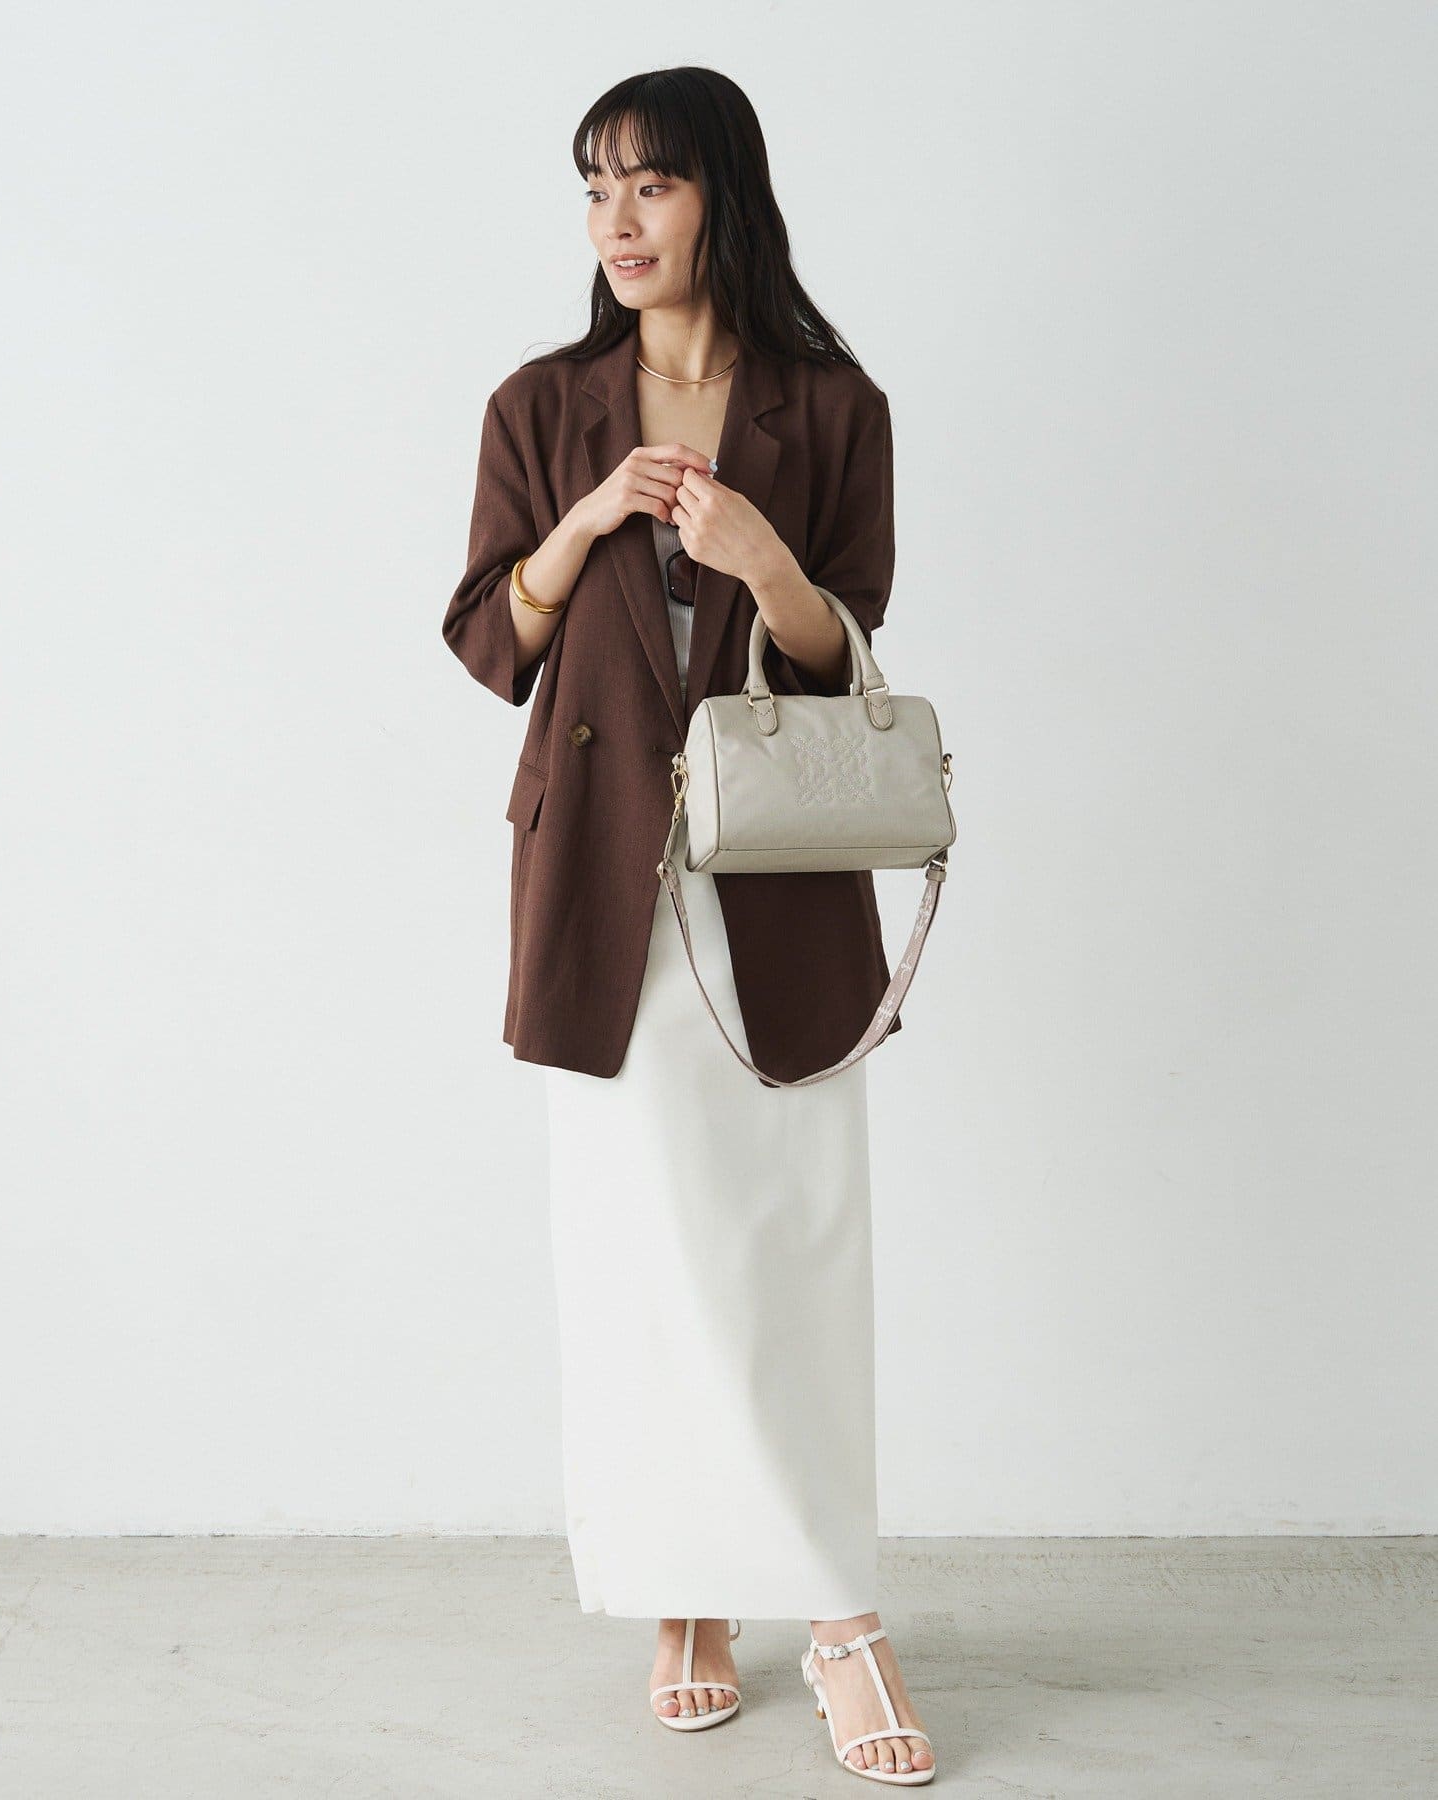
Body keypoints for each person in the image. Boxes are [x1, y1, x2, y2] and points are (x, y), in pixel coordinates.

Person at [443, 66, 935, 1786]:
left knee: (799, 1243)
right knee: (638, 1253)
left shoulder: (832, 407)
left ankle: (843, 1617)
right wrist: (587, 519)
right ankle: (686, 1596)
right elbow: (489, 640)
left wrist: (758, 555)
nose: (618, 222)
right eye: (595, 189)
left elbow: (843, 650)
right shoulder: (541, 404)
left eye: (649, 184)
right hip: (600, 880)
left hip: (777, 881)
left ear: (724, 192)